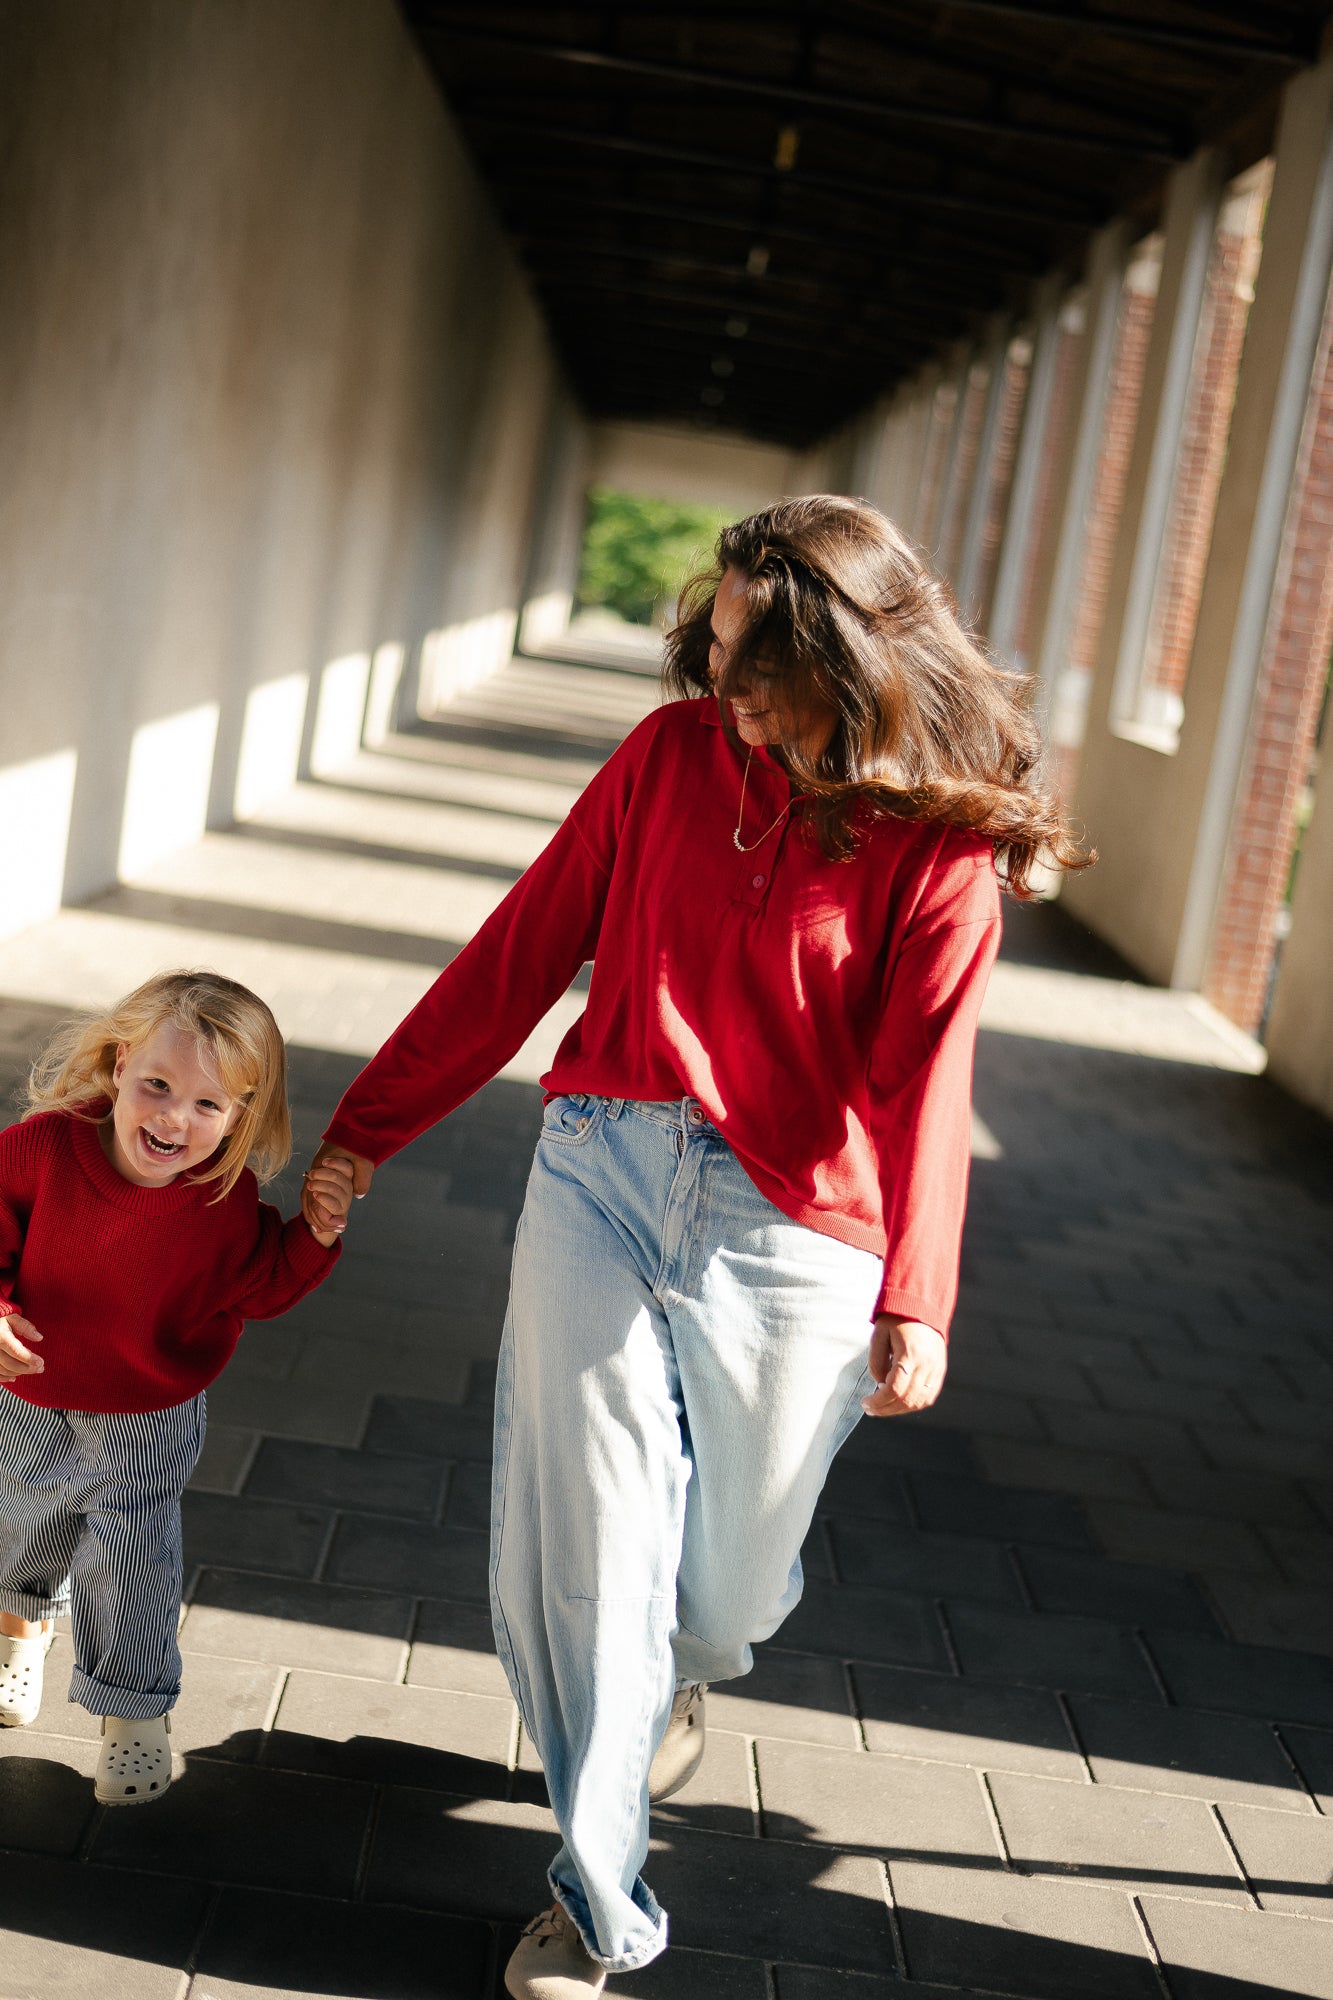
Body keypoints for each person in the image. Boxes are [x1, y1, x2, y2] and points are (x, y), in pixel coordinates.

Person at [305, 496, 1089, 1997]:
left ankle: (677, 1677)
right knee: (589, 1547)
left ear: (848, 657)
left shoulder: (935, 848)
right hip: (600, 1166)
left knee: (723, 1595)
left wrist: (916, 1296)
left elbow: (932, 1079)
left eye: (758, 654)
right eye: (715, 641)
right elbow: (520, 949)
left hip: (796, 1230)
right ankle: (596, 1905)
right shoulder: (668, 762)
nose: (721, 682)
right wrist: (366, 1127)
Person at [0, 969, 353, 1804]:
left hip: (149, 1415)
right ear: (120, 1066)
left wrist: (316, 1234)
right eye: (157, 1085)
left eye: (207, 1105)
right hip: (31, 1392)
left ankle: (133, 1713)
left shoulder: (220, 1202)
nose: (172, 1119)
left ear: (241, 1115)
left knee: (131, 1557)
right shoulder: (43, 1150)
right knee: (23, 1521)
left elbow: (261, 1285)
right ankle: (19, 1634)